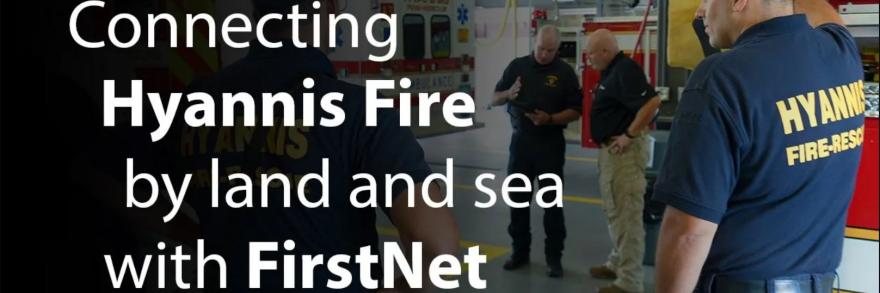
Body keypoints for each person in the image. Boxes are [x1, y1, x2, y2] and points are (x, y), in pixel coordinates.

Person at [173, 0, 460, 291]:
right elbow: (439, 249)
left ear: (256, 12)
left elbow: (129, 178)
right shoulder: (362, 112)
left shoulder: (194, 103)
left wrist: (194, 239)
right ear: (330, 9)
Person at [653, 0, 865, 292]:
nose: (701, 11)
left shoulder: (721, 78)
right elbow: (826, 13)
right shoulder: (841, 52)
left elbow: (688, 233)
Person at [491, 25, 583, 278]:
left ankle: (554, 258)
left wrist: (551, 119)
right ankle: (519, 252)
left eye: (551, 50)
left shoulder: (565, 73)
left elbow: (577, 109)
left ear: (558, 48)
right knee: (517, 201)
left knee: (551, 204)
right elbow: (494, 97)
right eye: (542, 48)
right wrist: (508, 93)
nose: (545, 54)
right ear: (535, 42)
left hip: (550, 143)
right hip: (521, 143)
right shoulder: (517, 66)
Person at [583, 29, 662, 293]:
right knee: (615, 210)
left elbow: (652, 102)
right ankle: (618, 263)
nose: (588, 58)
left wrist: (629, 135)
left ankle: (629, 281)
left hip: (624, 155)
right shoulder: (611, 71)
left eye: (591, 53)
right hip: (611, 153)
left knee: (627, 215)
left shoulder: (625, 69)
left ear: (604, 51)